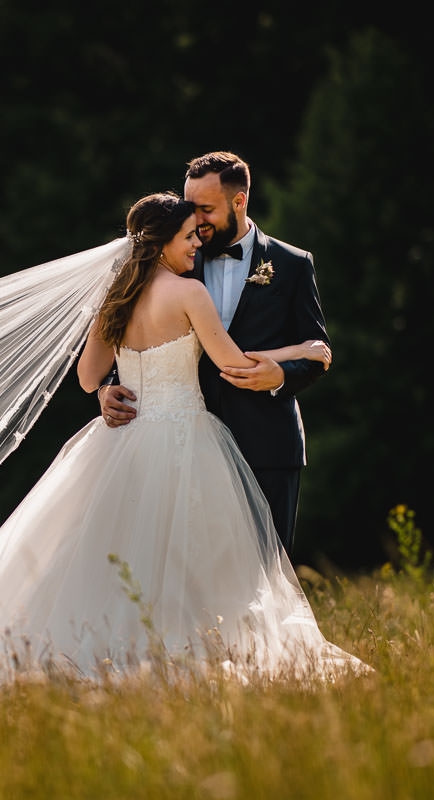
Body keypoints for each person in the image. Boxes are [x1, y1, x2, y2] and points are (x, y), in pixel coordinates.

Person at [0, 193, 366, 695]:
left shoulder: (115, 297)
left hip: (122, 440)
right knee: (187, 559)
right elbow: (233, 365)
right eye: (189, 236)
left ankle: (111, 646)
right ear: (164, 240)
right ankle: (178, 652)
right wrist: (304, 354)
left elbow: (91, 378)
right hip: (183, 438)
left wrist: (123, 384)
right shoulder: (190, 293)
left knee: (102, 554)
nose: (197, 245)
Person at [100, 152, 327, 555]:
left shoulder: (292, 265)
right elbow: (141, 333)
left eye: (205, 209)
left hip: (267, 442)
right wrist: (111, 387)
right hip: (183, 447)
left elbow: (314, 348)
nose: (197, 222)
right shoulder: (176, 258)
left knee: (268, 571)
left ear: (239, 202)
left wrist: (281, 377)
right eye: (190, 209)